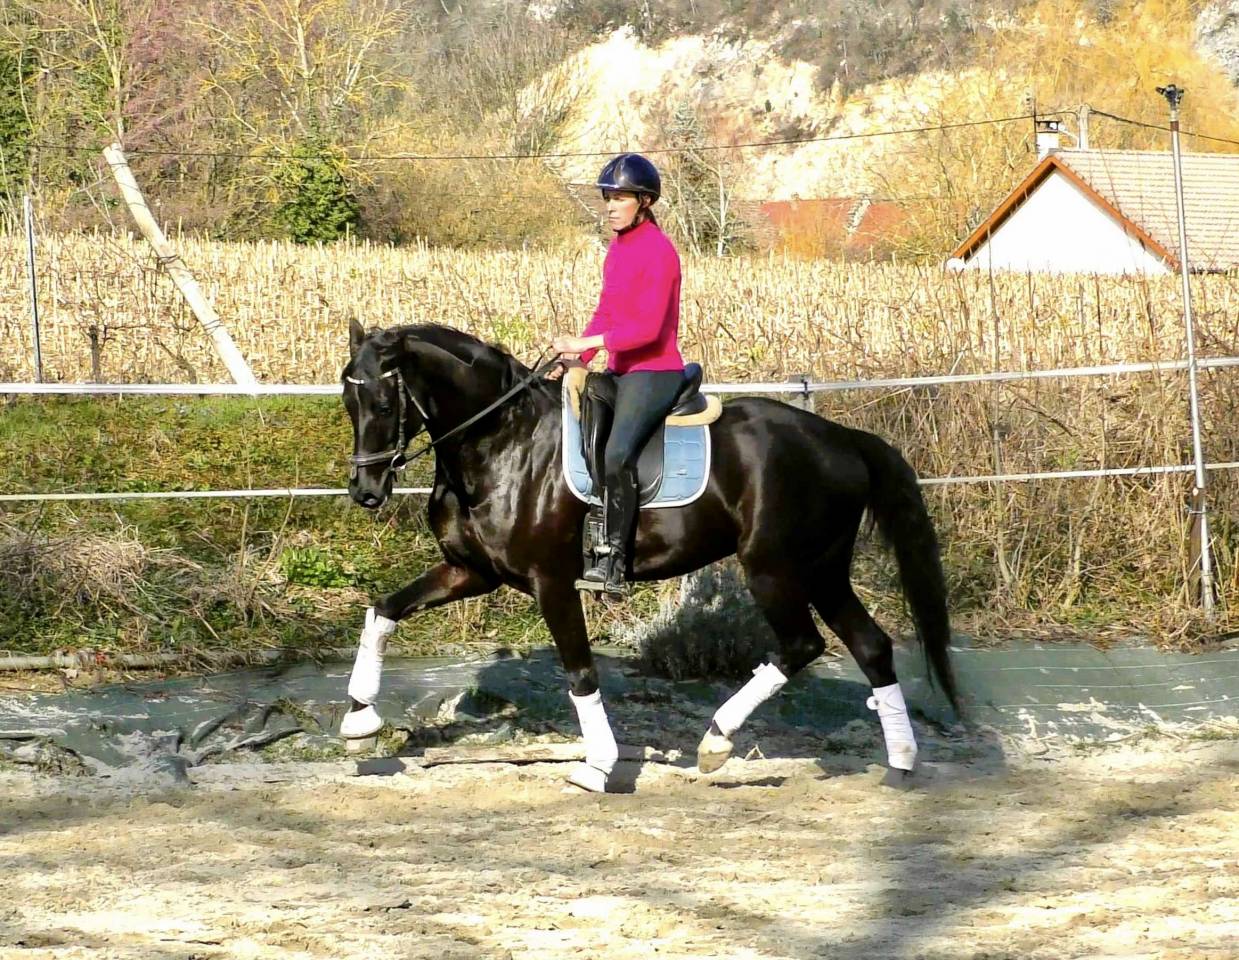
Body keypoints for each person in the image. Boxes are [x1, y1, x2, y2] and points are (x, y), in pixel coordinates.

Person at [550, 153, 685, 595]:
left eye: (620, 197)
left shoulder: (660, 252)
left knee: (616, 454)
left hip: (654, 371)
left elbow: (647, 330)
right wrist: (577, 360)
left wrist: (585, 344)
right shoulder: (618, 248)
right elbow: (606, 312)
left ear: (644, 201)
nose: (610, 205)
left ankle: (616, 563)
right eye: (607, 197)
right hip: (620, 370)